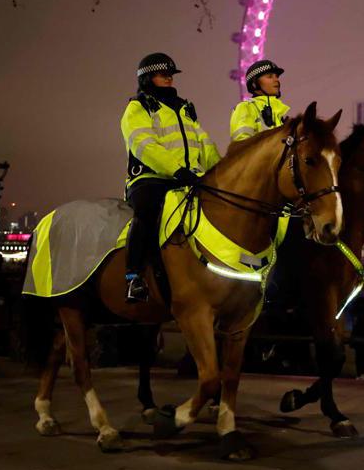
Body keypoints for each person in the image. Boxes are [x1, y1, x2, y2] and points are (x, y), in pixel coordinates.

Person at [120, 53, 221, 302]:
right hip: (150, 178)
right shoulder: (137, 108)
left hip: (188, 178)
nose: (168, 78)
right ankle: (134, 278)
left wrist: (221, 172)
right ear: (146, 79)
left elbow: (204, 142)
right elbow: (144, 145)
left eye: (170, 74)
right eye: (162, 74)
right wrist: (176, 169)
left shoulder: (185, 108)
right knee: (147, 211)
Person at [229, 60, 290, 142]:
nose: (276, 80)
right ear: (255, 83)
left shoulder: (279, 113)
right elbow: (242, 147)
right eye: (270, 76)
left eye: (276, 76)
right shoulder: (245, 107)